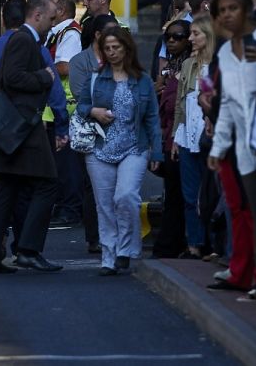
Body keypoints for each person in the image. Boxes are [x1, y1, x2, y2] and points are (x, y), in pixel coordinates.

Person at [0, 0, 67, 274]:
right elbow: (12, 78)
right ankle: (28, 250)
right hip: (23, 127)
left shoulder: (21, 39)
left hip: (10, 129)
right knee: (47, 183)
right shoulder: (25, 40)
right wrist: (46, 77)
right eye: (50, 19)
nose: (52, 24)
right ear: (36, 15)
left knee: (7, 190)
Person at [207, 0, 256, 298]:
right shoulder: (224, 52)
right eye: (221, 10)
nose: (226, 15)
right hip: (243, 148)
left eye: (232, 8)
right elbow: (227, 106)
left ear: (247, 9)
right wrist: (218, 147)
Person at [75, 26, 165, 275]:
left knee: (125, 197)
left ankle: (125, 249)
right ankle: (109, 255)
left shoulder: (143, 80)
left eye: (117, 47)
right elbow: (81, 106)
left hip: (134, 147)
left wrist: (156, 152)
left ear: (127, 49)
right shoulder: (95, 77)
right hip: (99, 148)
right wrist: (94, 111)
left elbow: (152, 119)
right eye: (108, 48)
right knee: (104, 204)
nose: (112, 52)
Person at [68, 14, 121, 254]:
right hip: (92, 131)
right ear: (98, 35)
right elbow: (81, 96)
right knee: (93, 185)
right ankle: (94, 237)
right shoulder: (80, 61)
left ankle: (115, 234)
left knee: (120, 185)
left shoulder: (121, 57)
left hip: (119, 130)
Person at [173, 16, 217, 259]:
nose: (190, 39)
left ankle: (213, 244)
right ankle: (194, 244)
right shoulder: (189, 64)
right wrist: (175, 136)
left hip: (210, 135)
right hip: (188, 135)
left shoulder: (219, 64)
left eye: (195, 34)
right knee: (190, 194)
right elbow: (181, 103)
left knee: (211, 193)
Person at [152, 18, 193, 258]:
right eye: (168, 37)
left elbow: (179, 106)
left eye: (177, 37)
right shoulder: (168, 67)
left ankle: (175, 243)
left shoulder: (188, 67)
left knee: (180, 194)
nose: (171, 41)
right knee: (173, 193)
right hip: (167, 135)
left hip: (181, 135)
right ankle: (173, 242)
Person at [45, 0, 84, 227]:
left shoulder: (69, 34)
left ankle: (70, 208)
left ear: (60, 10)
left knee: (68, 164)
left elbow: (65, 66)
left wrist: (40, 68)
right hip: (55, 108)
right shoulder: (58, 33)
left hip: (66, 109)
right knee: (59, 163)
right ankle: (63, 205)